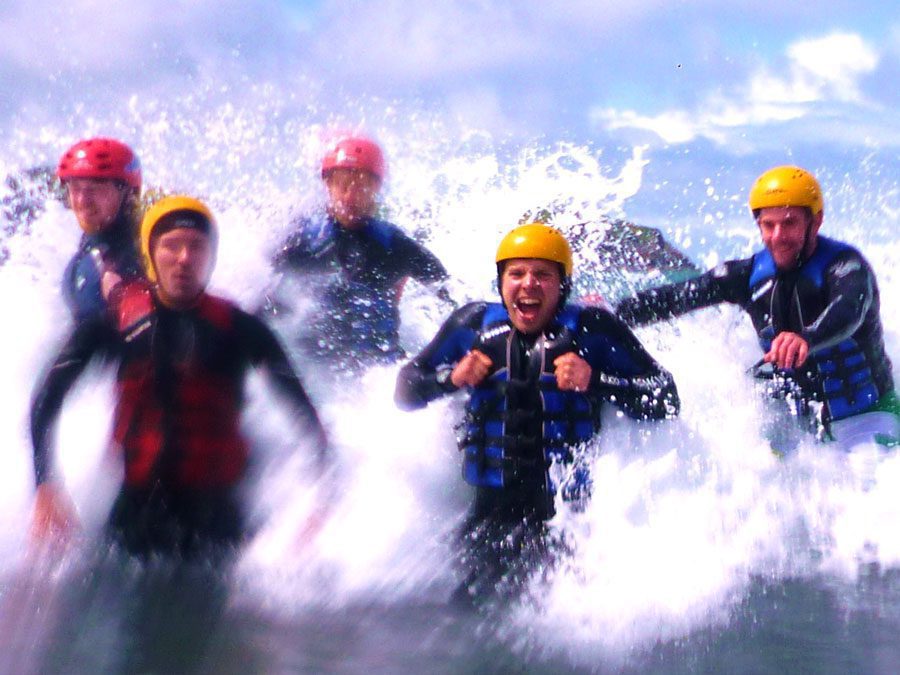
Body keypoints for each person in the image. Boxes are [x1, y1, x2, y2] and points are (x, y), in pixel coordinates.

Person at [30, 195, 329, 558]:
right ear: (150, 254)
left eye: (197, 247)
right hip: (135, 518)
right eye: (171, 246)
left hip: (221, 522)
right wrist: (46, 485)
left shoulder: (242, 330)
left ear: (211, 257)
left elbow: (306, 417)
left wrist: (317, 506)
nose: (184, 258)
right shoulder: (112, 327)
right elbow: (48, 400)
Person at [394, 223, 679, 603]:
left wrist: (596, 380)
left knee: (565, 621)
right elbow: (405, 390)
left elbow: (666, 399)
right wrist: (450, 379)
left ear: (563, 285)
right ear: (500, 283)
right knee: (465, 616)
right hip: (488, 513)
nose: (528, 284)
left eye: (543, 274)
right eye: (517, 273)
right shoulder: (472, 325)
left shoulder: (594, 330)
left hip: (567, 519)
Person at [615, 165, 899, 452]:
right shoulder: (746, 276)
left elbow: (849, 309)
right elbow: (674, 298)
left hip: (869, 415)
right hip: (796, 429)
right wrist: (608, 316)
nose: (778, 236)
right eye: (768, 225)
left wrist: (807, 337)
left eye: (789, 223)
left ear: (816, 220)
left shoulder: (847, 267)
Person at [267, 135, 453, 370]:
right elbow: (263, 291)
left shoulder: (394, 245)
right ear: (328, 185)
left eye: (362, 186)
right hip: (316, 373)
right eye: (342, 184)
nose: (350, 196)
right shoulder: (304, 240)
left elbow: (447, 293)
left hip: (381, 376)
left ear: (376, 189)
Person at [56, 137, 145, 321]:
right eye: (75, 188)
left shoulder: (134, 256)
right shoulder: (95, 239)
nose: (82, 201)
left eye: (95, 189)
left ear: (127, 193)